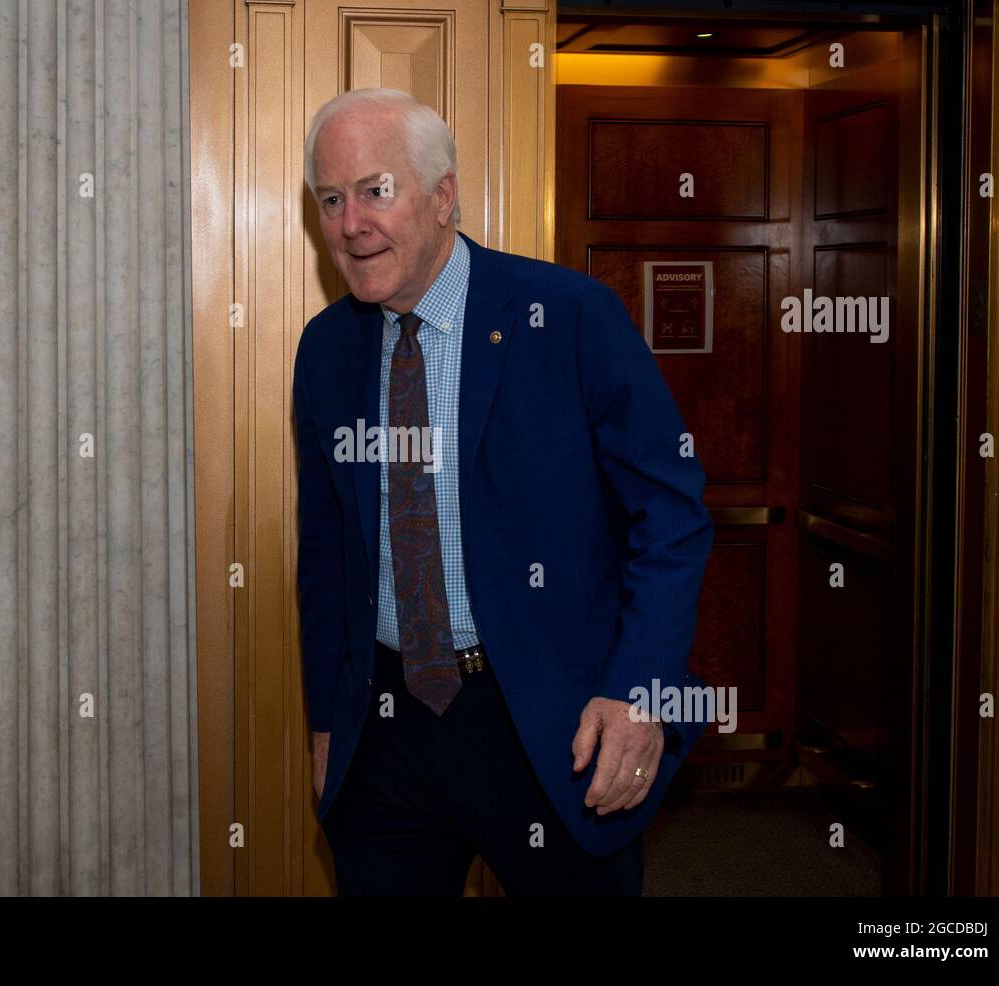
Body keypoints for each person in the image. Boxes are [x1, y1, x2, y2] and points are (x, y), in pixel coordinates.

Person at [293, 87, 714, 896]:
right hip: (385, 733)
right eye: (331, 199)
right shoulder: (326, 350)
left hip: (553, 726)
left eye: (376, 191)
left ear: (443, 195)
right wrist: (325, 727)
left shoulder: (569, 315)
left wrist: (637, 692)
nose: (351, 224)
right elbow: (326, 559)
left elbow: (672, 517)